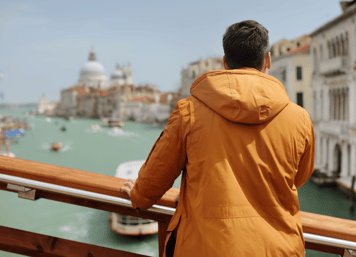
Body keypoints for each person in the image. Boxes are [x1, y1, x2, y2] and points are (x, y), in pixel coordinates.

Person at [121, 20, 315, 256]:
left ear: (224, 63)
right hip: (278, 250)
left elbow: (154, 178)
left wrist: (138, 195)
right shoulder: (300, 118)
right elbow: (299, 176)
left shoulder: (189, 112)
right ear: (268, 60)